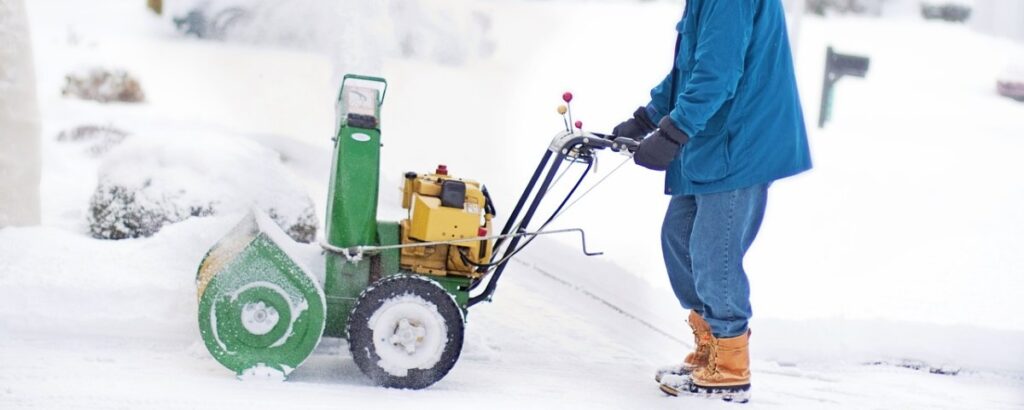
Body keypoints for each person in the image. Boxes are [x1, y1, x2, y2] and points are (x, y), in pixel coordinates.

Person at [611, 0, 811, 403]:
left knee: (713, 251)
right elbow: (693, 65)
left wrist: (672, 133)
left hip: (743, 139)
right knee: (679, 237)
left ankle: (731, 366)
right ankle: (711, 346)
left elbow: (717, 75)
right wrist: (649, 117)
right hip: (716, 136)